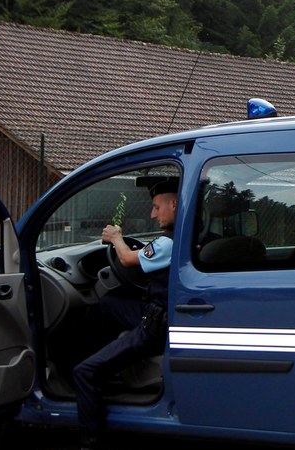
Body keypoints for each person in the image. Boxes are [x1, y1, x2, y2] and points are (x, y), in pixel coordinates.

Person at [72, 176, 177, 449]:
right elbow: (144, 258)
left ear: (174, 204)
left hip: (153, 326)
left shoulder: (167, 243)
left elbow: (127, 259)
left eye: (156, 207)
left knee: (84, 372)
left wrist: (117, 237)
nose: (153, 214)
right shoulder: (190, 235)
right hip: (162, 314)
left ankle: (90, 440)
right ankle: (105, 363)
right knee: (108, 304)